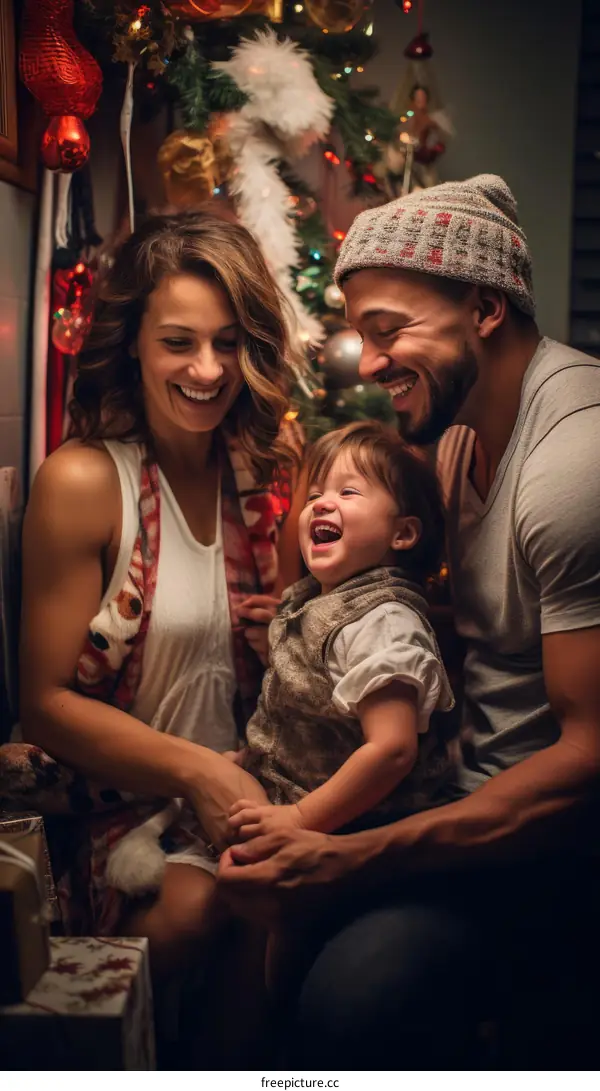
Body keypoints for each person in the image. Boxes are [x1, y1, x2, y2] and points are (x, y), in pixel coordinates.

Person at [216, 175, 600, 1068]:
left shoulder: (573, 466)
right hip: (456, 796)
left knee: (353, 1002)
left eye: (389, 329)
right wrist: (328, 626)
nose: (371, 360)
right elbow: (473, 626)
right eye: (362, 334)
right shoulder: (464, 432)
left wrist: (357, 858)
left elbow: (588, 761)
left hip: (544, 844)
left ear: (485, 306)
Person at [18, 211, 305, 1051]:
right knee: (207, 903)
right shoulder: (83, 481)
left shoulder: (273, 478)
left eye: (229, 342)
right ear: (133, 343)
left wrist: (282, 647)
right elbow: (42, 704)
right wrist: (201, 775)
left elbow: (301, 678)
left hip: (262, 797)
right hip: (123, 811)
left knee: (286, 903)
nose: (208, 370)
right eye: (179, 341)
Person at [107, 421, 454, 910]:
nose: (321, 504)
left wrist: (299, 820)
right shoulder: (317, 602)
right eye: (314, 495)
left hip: (362, 828)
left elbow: (392, 749)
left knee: (261, 917)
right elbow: (320, 699)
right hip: (310, 804)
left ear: (403, 533)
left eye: (349, 491)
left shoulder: (385, 621)